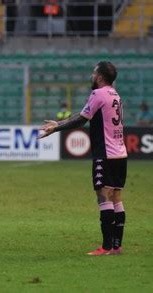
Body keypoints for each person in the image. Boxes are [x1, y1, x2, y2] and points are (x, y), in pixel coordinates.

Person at [39, 61, 127, 256]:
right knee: (116, 198)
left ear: (100, 77)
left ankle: (105, 247)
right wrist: (60, 122)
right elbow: (83, 114)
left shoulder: (98, 94)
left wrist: (56, 128)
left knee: (104, 197)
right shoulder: (115, 95)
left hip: (105, 154)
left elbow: (81, 119)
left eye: (94, 73)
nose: (92, 76)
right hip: (120, 153)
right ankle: (116, 245)